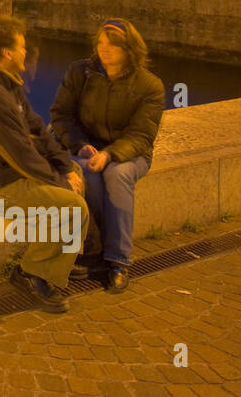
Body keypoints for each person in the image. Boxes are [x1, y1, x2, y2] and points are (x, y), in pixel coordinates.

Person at [0, 15, 89, 313]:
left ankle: (57, 259)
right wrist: (62, 182)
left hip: (3, 172)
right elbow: (23, 154)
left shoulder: (5, 83)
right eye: (22, 47)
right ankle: (33, 271)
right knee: (73, 206)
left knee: (74, 175)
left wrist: (64, 167)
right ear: (7, 53)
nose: (27, 53)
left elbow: (36, 127)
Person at [49, 18, 165, 294]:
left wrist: (110, 154)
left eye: (113, 45)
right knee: (89, 173)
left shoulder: (149, 86)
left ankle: (118, 261)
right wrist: (79, 145)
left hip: (129, 152)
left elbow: (141, 135)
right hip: (86, 147)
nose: (105, 50)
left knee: (117, 174)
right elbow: (60, 116)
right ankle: (96, 251)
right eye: (101, 43)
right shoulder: (80, 73)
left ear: (129, 49)